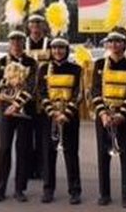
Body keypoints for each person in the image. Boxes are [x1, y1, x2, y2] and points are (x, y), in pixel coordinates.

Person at [91, 26, 126, 209]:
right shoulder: (99, 64)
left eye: (118, 41)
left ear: (124, 44)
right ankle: (104, 193)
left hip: (124, 117)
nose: (114, 44)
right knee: (103, 156)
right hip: (103, 116)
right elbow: (95, 90)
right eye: (110, 41)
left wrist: (121, 115)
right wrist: (102, 113)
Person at [0, 30, 37, 203]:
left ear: (24, 43)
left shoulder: (31, 62)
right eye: (13, 41)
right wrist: (8, 81)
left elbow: (32, 86)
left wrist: (18, 104)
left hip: (23, 110)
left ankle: (19, 188)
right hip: (5, 109)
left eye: (19, 40)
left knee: (23, 150)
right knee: (4, 149)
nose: (16, 44)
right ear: (9, 43)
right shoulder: (3, 61)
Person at [39, 36, 82, 205]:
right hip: (49, 118)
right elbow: (41, 93)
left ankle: (75, 190)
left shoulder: (76, 69)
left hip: (69, 117)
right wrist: (53, 113)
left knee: (71, 154)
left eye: (61, 48)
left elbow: (78, 94)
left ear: (67, 49)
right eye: (55, 48)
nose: (57, 51)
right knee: (48, 155)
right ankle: (48, 189)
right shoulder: (44, 69)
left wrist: (66, 113)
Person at [25, 13, 50, 181]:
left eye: (38, 22)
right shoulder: (23, 42)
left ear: (43, 25)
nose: (35, 25)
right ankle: (28, 169)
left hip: (44, 94)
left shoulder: (50, 43)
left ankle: (43, 168)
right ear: (28, 25)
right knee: (26, 135)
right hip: (26, 95)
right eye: (32, 22)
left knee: (43, 135)